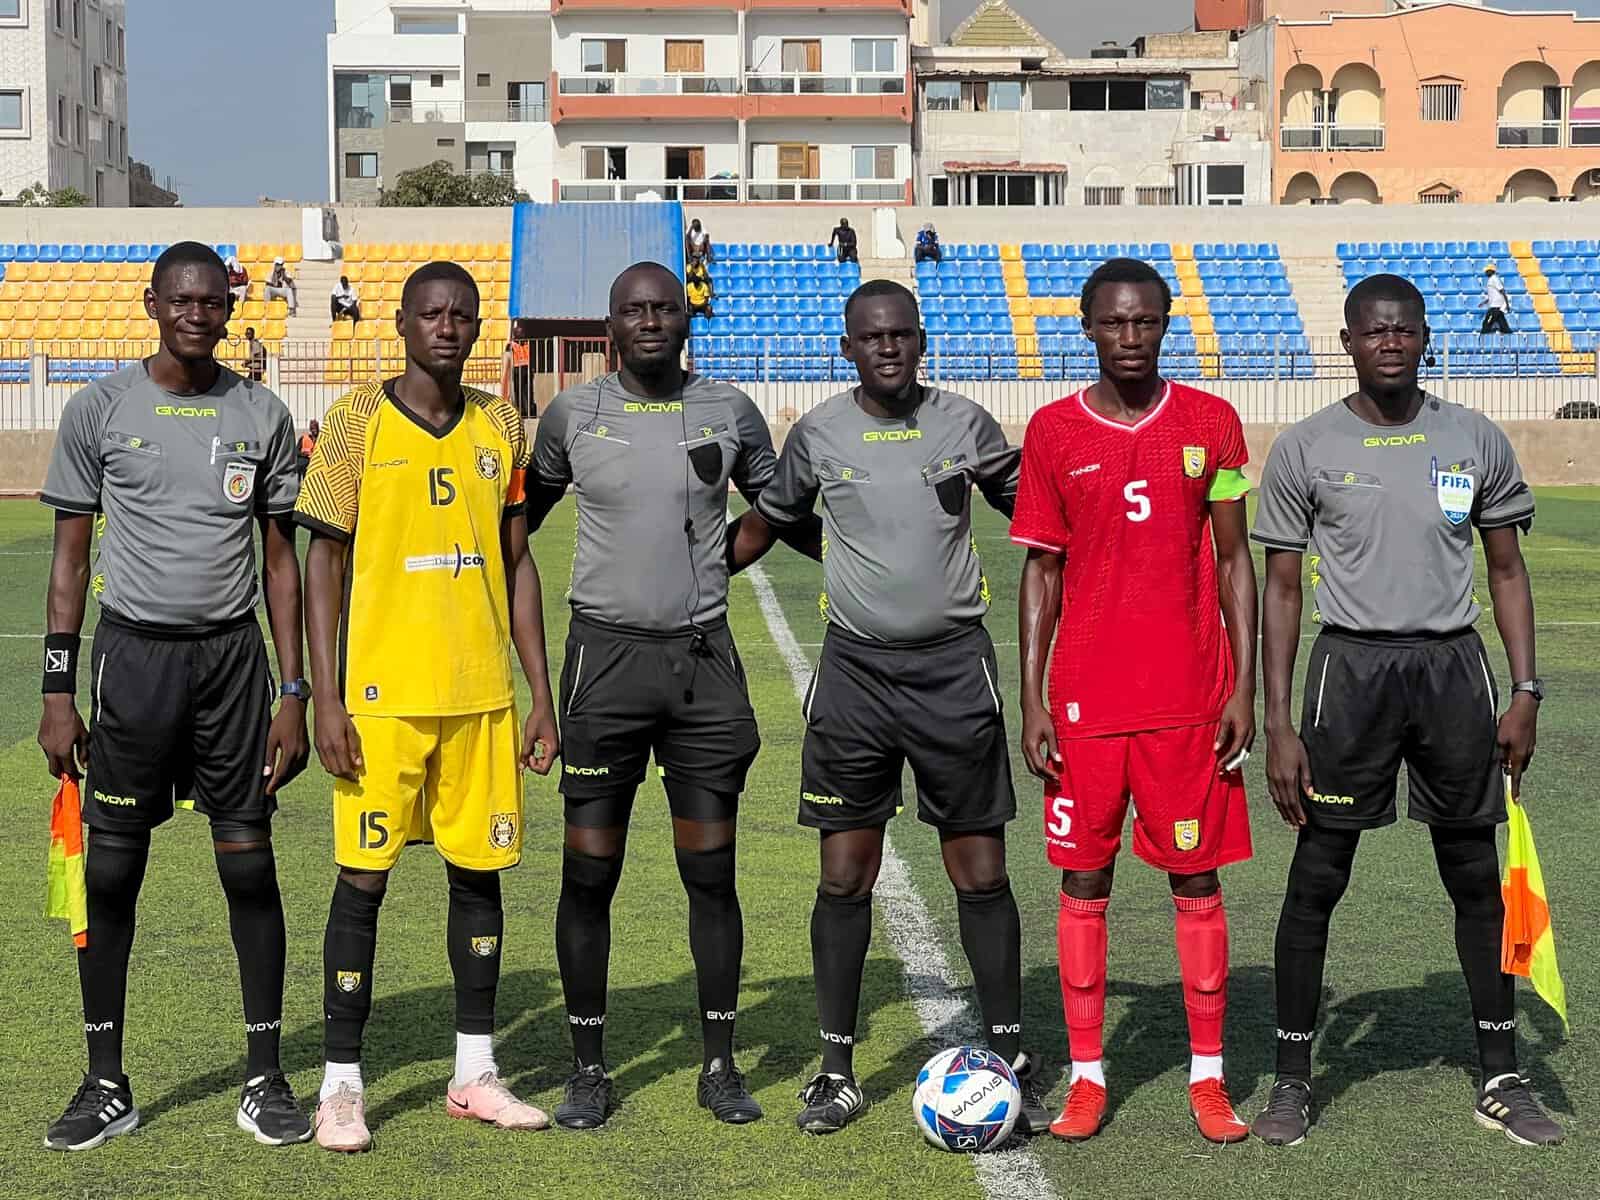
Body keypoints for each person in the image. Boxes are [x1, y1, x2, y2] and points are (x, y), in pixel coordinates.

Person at [727, 280, 1049, 1137]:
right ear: (848, 347)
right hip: (856, 678)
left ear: (920, 340)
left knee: (980, 873)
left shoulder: (966, 423)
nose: (890, 348)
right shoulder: (820, 433)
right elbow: (770, 519)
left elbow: (1039, 512)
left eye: (903, 334)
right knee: (845, 876)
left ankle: (1012, 1051)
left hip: (954, 672)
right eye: (873, 337)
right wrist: (694, 571)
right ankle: (836, 1070)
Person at [1249, 273, 1561, 1149]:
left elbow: (1505, 572)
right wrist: (1279, 724)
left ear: (1425, 338)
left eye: (1404, 330)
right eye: (1372, 331)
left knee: (1473, 873)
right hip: (1348, 671)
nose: (1389, 342)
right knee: (1319, 875)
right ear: (1347, 342)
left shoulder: (1472, 436)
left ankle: (1500, 1075)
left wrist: (1526, 689)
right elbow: (1279, 592)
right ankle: (1292, 1079)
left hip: (1454, 670)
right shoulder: (1306, 446)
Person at [38, 241, 311, 1151]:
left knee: (248, 866)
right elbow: (70, 559)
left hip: (233, 667)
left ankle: (265, 1078)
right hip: (134, 663)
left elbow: (283, 562)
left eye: (213, 301)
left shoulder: (262, 414)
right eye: (181, 300)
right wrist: (57, 688)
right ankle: (104, 1080)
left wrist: (295, 690)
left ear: (231, 307)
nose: (198, 314)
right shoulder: (99, 409)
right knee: (111, 872)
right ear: (152, 303)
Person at [296, 262, 561, 1153]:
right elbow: (321, 561)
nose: (446, 327)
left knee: (477, 879)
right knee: (361, 885)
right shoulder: (354, 423)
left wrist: (539, 691)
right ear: (402, 325)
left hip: (479, 697)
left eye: (461, 315)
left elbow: (517, 562)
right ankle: (341, 1087)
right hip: (381, 701)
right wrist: (324, 695)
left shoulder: (501, 425)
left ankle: (475, 1071)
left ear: (478, 327)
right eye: (430, 314)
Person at [527, 261, 785, 1130]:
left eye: (664, 308)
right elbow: (519, 522)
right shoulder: (571, 416)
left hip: (702, 665)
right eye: (634, 310)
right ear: (610, 324)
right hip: (605, 663)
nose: (650, 321)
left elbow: (773, 507)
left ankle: (719, 1063)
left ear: (686, 318)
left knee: (709, 872)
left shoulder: (729, 409)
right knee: (588, 871)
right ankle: (589, 1067)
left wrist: (716, 563)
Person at [1011, 257, 1258, 1145]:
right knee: (1085, 882)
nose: (1130, 337)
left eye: (1145, 321)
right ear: (1085, 327)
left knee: (1197, 880)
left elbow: (1235, 560)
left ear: (1165, 325)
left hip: (1190, 699)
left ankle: (1208, 1077)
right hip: (1084, 703)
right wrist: (1032, 697)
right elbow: (1040, 568)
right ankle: (1086, 1078)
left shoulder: (1213, 423)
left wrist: (1244, 685)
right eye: (1113, 322)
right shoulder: (1051, 432)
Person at [1479, 265, 1512, 336]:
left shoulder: (1495, 279)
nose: (1486, 272)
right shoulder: (1491, 279)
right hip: (1496, 308)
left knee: (1486, 325)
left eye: (1487, 271)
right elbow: (1493, 295)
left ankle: (1482, 341)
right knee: (1504, 327)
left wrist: (1507, 305)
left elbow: (1502, 292)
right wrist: (1484, 302)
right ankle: (1511, 338)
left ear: (1491, 271)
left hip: (1495, 307)